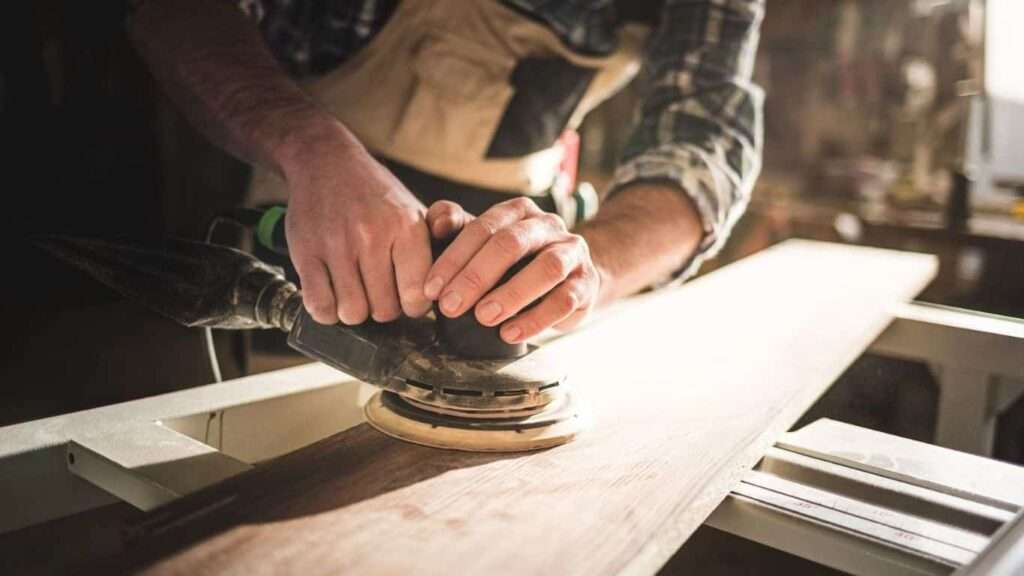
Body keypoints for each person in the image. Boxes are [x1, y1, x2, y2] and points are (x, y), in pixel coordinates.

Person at [129, 0, 764, 345]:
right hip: (308, 238)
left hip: (520, 258)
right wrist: (312, 146)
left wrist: (593, 272)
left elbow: (704, 137)